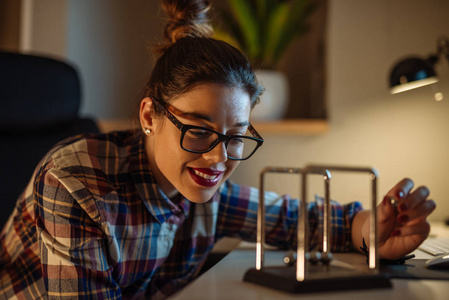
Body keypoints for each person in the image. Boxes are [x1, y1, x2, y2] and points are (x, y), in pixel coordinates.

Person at [0, 0, 436, 299]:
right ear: (150, 116)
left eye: (235, 136)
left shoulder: (203, 191)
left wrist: (371, 231)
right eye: (198, 130)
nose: (219, 158)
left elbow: (307, 221)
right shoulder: (77, 184)